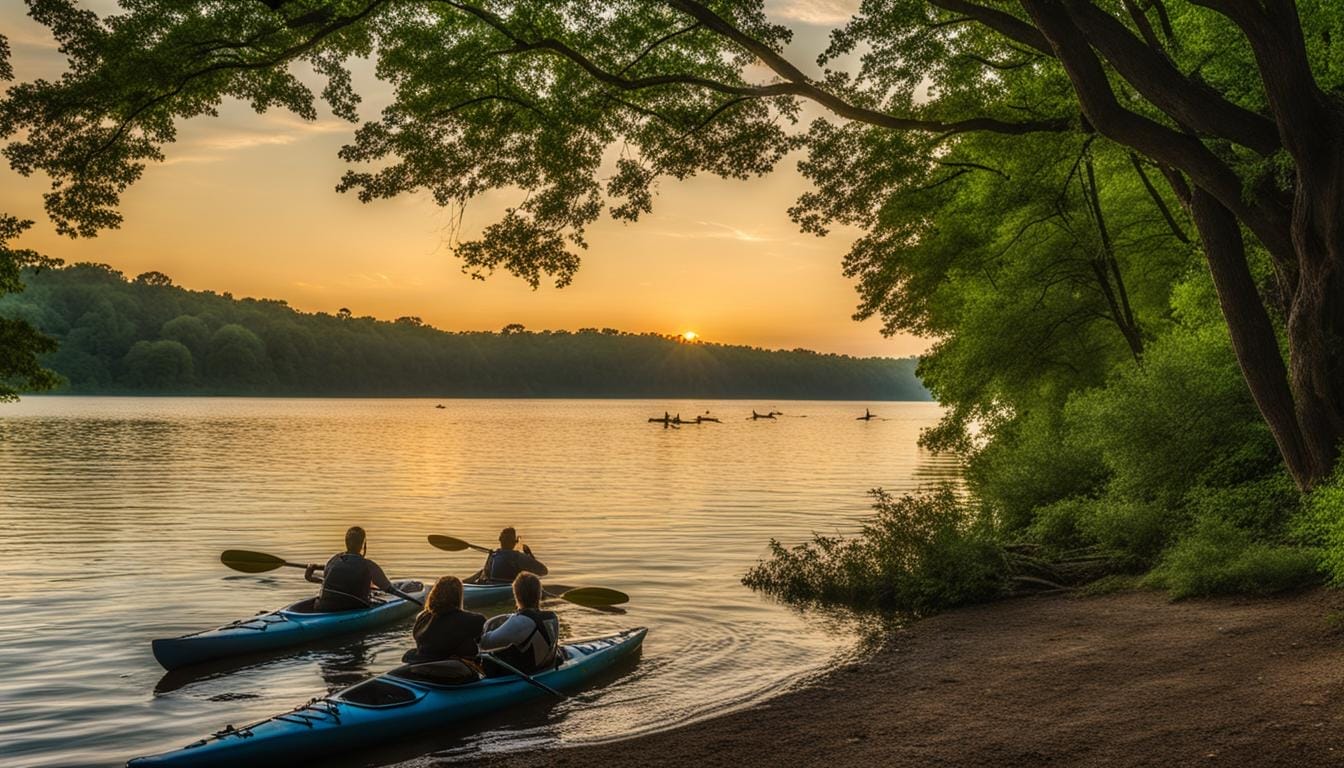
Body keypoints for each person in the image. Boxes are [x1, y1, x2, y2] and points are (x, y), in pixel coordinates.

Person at [479, 571, 559, 674]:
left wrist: (482, 630)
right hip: (545, 666)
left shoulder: (521, 622)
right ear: (539, 594)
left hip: (526, 674)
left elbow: (485, 643)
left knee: (485, 659)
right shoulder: (552, 617)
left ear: (516, 595)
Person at [304, 526, 397, 612]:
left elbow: (327, 580)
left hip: (324, 607)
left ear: (346, 542)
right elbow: (388, 588)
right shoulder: (368, 565)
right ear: (363, 545)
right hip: (354, 606)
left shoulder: (333, 561)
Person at [403, 576, 486, 664]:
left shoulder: (422, 617)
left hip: (422, 664)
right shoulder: (474, 620)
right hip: (454, 669)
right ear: (458, 595)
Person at [479, 527, 548, 582]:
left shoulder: (493, 556)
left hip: (492, 586)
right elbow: (543, 571)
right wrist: (530, 555)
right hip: (511, 587)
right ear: (514, 543)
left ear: (500, 540)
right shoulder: (519, 557)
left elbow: (485, 576)